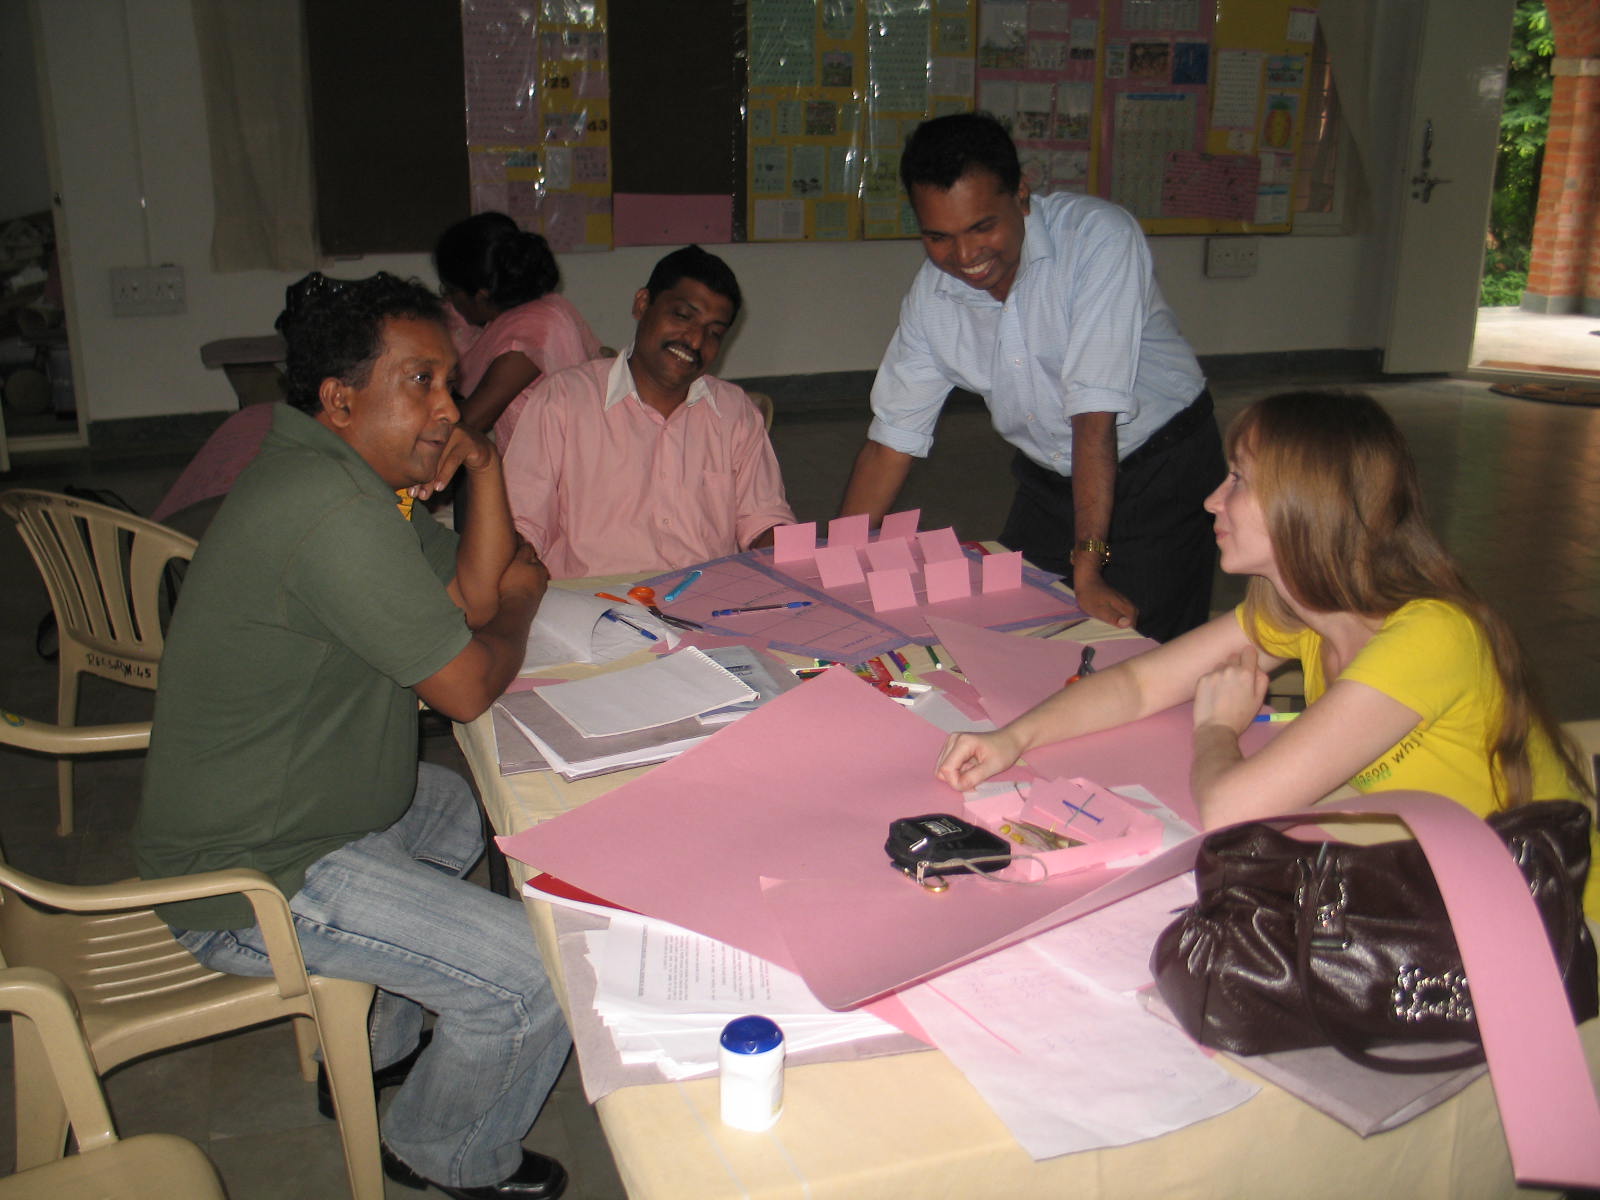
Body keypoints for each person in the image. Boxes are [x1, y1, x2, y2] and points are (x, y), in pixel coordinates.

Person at [134, 272, 571, 1200]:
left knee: (451, 809)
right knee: (536, 974)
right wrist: (524, 604)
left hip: (298, 812)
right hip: (253, 873)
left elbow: (470, 595)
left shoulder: (346, 482)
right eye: (421, 382)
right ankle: (441, 1151)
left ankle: (372, 1051)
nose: (448, 407)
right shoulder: (331, 514)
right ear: (339, 400)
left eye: (450, 381)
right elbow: (467, 683)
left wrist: (485, 463)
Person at [935, 390, 1600, 921]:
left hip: (1549, 915)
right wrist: (1013, 738)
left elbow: (1231, 811)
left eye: (1239, 480)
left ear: (1308, 507)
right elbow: (1140, 683)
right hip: (1442, 876)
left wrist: (1217, 728)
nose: (1212, 500)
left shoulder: (1430, 637)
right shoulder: (1300, 613)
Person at [839, 112, 1224, 642]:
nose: (966, 257)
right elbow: (890, 444)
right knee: (1013, 628)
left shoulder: (1097, 239)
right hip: (1049, 477)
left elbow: (1093, 418)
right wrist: (830, 566)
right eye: (939, 237)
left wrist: (1088, 568)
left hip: (1158, 466)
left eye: (982, 227)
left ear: (1021, 195)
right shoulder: (933, 298)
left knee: (1143, 647)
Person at [501, 244, 796, 578]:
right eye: (682, 316)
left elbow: (764, 519)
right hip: (594, 598)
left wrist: (796, 562)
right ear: (642, 304)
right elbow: (523, 523)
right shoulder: (564, 399)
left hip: (704, 597)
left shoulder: (734, 413)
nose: (695, 341)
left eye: (714, 332)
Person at [434, 211, 603, 445]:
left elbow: (471, 420)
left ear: (482, 296)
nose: (449, 301)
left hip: (553, 465)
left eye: (451, 291)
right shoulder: (536, 308)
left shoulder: (528, 337)